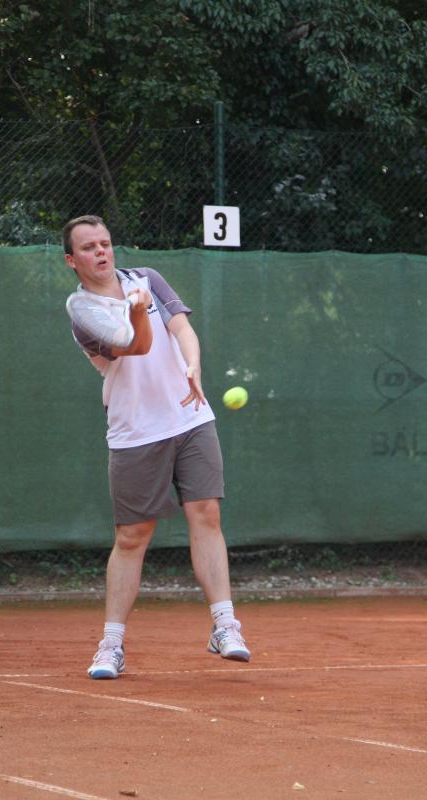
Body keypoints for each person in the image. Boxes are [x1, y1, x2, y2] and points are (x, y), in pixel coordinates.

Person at [63, 215, 250, 679]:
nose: (101, 251)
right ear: (72, 260)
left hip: (191, 417)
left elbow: (182, 329)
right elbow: (139, 346)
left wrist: (193, 366)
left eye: (105, 243)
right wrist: (134, 313)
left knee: (206, 512)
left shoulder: (147, 279)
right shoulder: (83, 312)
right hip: (135, 432)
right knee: (132, 537)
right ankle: (111, 645)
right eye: (88, 247)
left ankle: (225, 625)